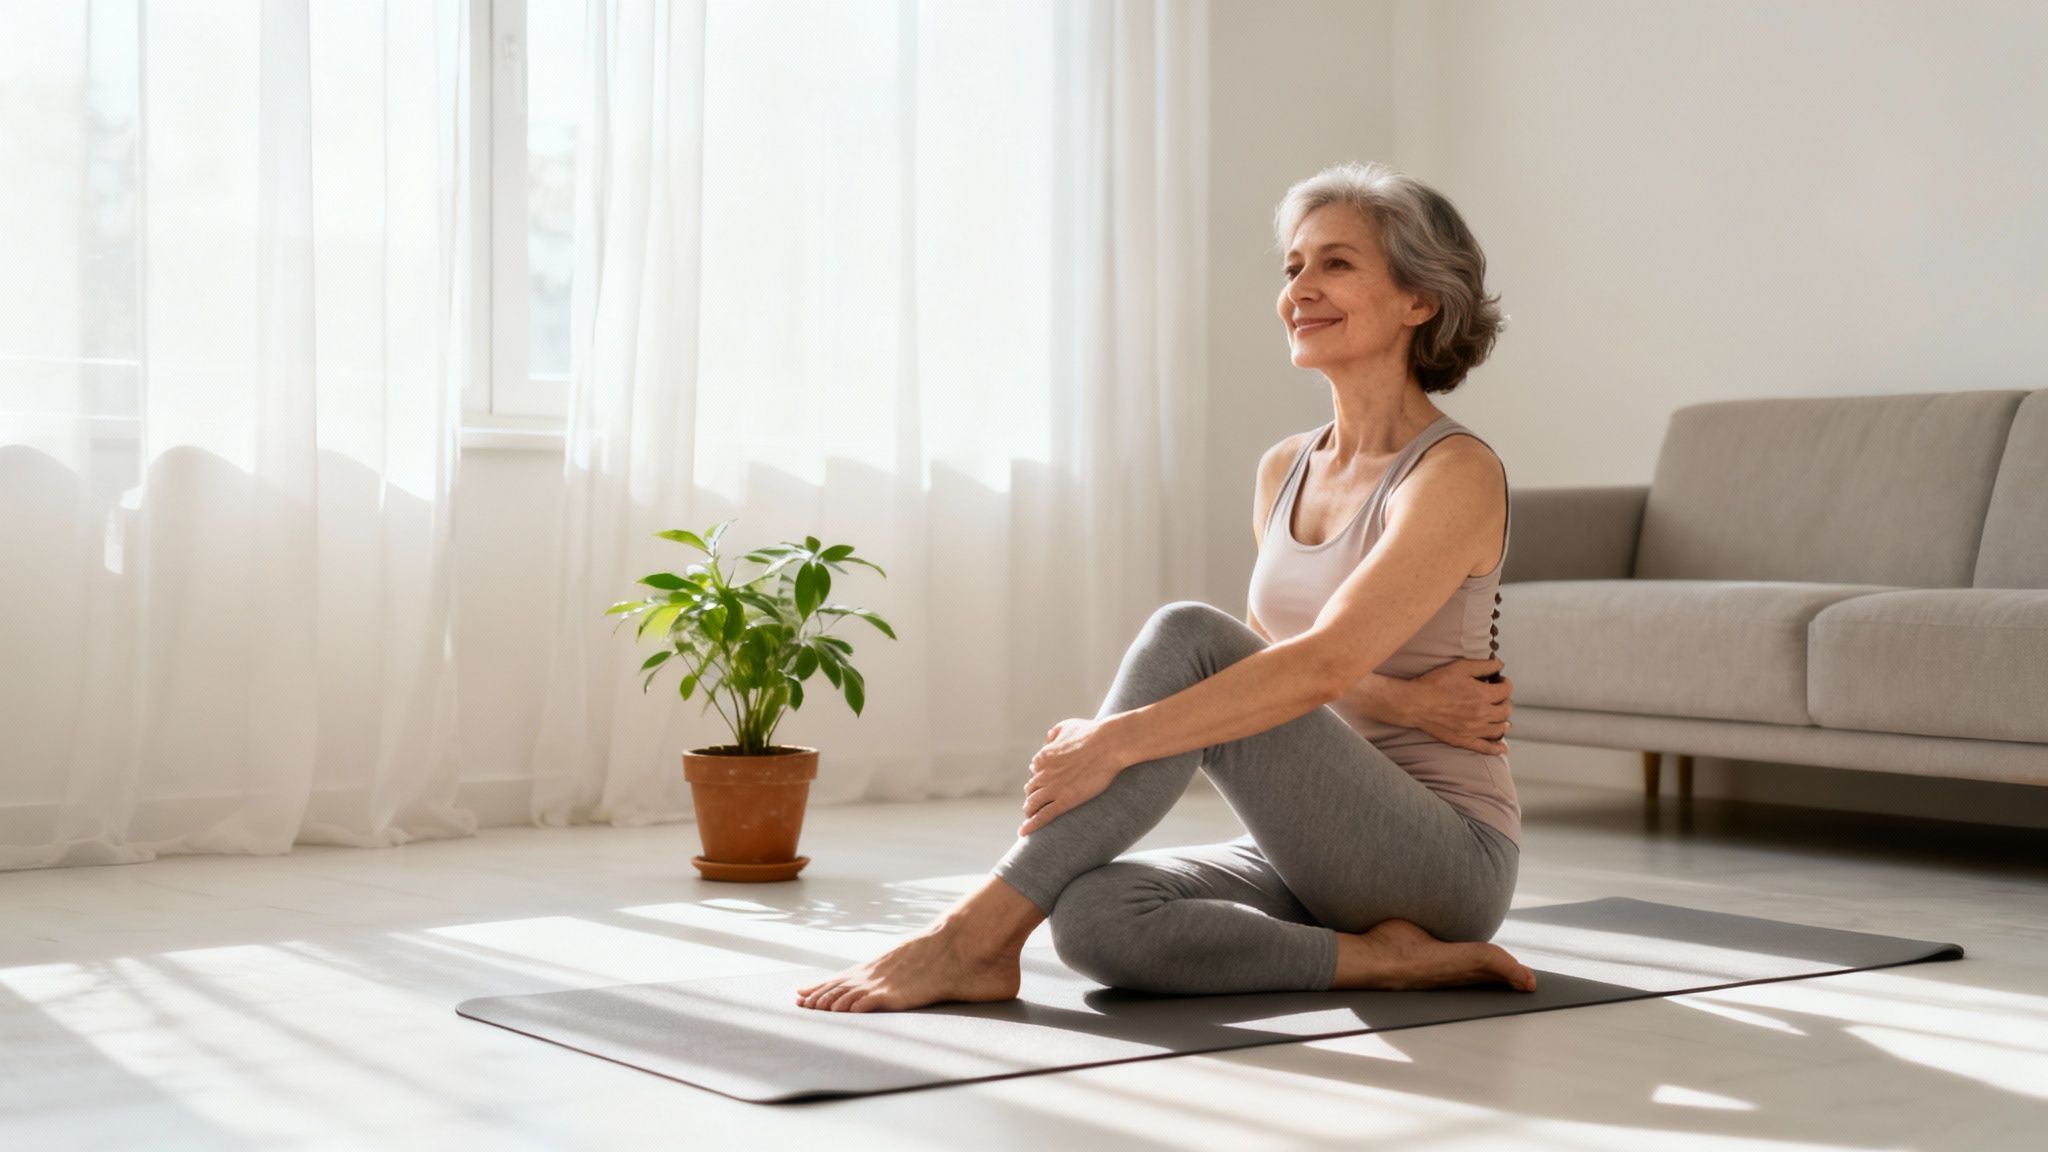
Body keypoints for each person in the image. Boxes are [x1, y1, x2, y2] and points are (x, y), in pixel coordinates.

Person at [797, 161, 1534, 1012]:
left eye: (1336, 263)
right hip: (1309, 850)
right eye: (1292, 266)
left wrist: (1115, 741)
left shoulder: (1454, 473)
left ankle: (973, 936)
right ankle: (1387, 962)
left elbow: (1312, 667)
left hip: (1443, 859)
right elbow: (1274, 668)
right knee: (1095, 917)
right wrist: (1402, 703)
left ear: (1420, 300)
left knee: (1190, 634)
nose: (1300, 287)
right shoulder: (1283, 470)